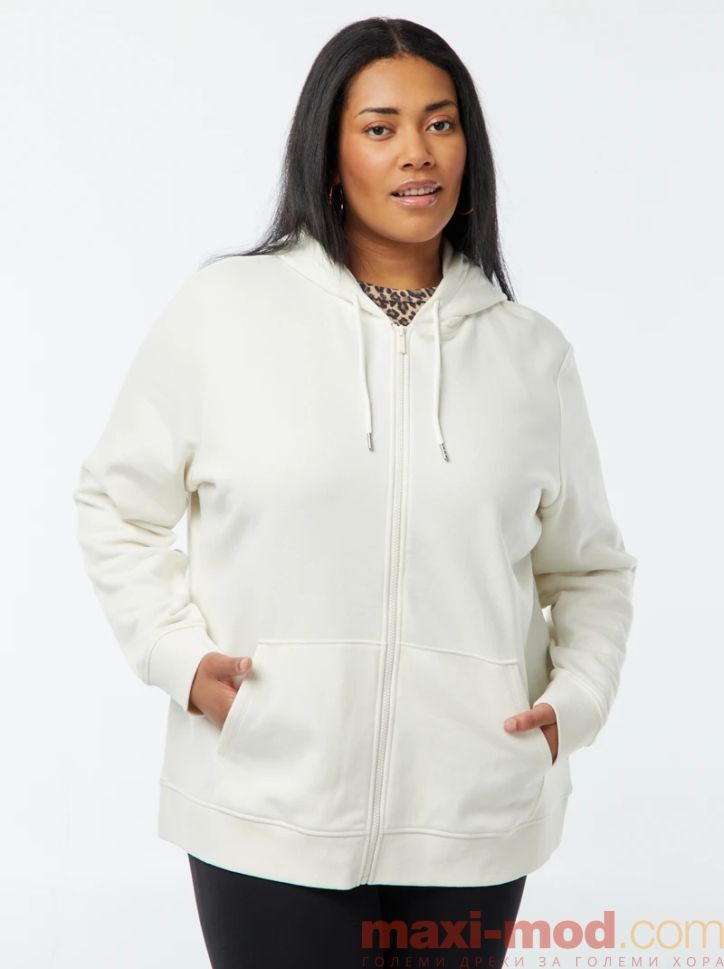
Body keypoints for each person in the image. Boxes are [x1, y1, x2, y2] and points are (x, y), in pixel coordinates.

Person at [72, 16, 638, 969]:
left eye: (441, 123)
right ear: (330, 159)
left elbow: (590, 568)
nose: (419, 151)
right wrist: (180, 657)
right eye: (381, 127)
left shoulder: (530, 354)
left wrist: (572, 703)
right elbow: (115, 508)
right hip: (267, 801)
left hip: (474, 811)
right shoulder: (226, 314)